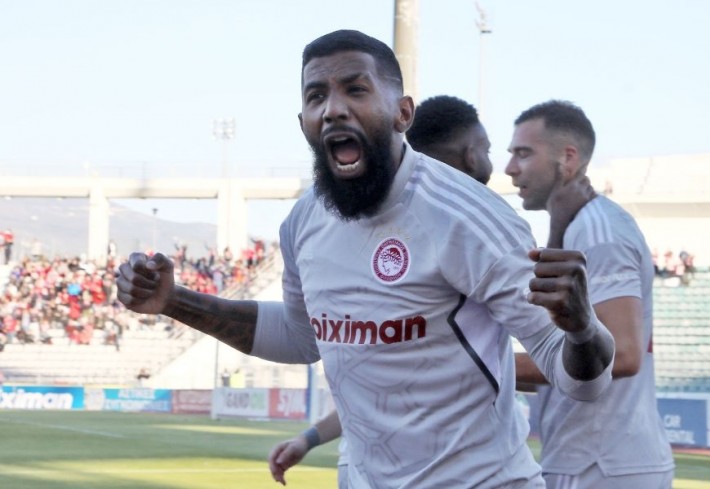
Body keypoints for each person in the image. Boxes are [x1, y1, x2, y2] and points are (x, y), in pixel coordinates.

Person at [116, 30, 615, 488]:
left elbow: (583, 382)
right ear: (303, 123)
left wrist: (581, 329)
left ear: (403, 114)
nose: (334, 109)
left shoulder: (468, 218)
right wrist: (174, 301)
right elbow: (300, 336)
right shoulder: (303, 223)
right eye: (316, 96)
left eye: (356, 90)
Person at [268, 94, 505, 486]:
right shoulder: (471, 238)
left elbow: (378, 384)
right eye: (489, 151)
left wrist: (308, 439)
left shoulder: (361, 235)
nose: (503, 167)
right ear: (470, 156)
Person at [505, 99, 674, 489]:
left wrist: (483, 363)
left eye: (523, 153)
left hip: (599, 463)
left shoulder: (598, 231)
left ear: (568, 158)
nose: (510, 168)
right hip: (597, 459)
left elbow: (624, 354)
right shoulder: (581, 225)